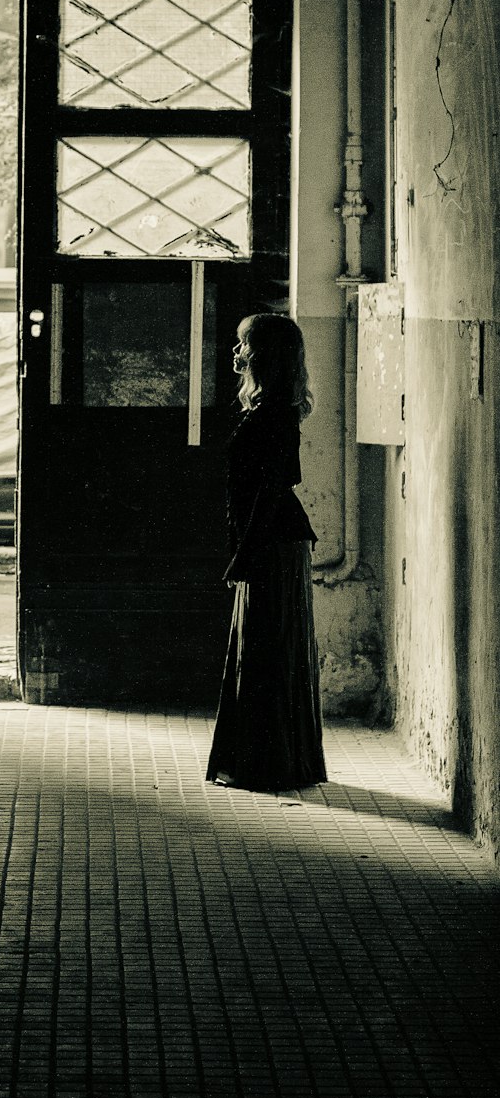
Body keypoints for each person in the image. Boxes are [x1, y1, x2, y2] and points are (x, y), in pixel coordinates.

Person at [205, 312, 327, 791]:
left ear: (263, 355)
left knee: (265, 654)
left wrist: (246, 553)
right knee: (267, 653)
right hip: (274, 544)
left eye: (243, 345)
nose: (236, 354)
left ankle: (268, 765)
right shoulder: (270, 409)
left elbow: (270, 490)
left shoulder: (273, 413)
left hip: (274, 545)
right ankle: (274, 762)